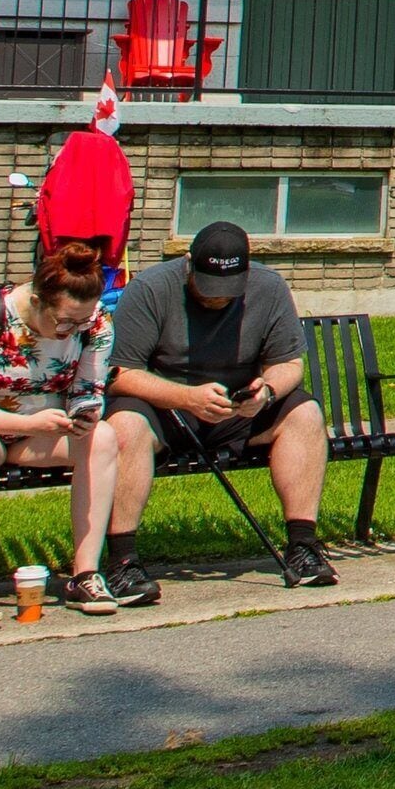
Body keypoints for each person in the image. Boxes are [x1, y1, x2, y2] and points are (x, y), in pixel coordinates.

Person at [0, 235, 142, 629]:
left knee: (103, 437)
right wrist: (29, 424)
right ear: (37, 302)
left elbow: (88, 389)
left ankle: (85, 574)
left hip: (33, 430)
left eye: (81, 322)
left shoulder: (94, 323)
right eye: (64, 322)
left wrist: (84, 415)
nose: (71, 330)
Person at [103, 220, 335, 598]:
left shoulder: (269, 287)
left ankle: (303, 547)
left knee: (305, 414)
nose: (218, 298)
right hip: (165, 414)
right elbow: (117, 374)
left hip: (237, 411)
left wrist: (267, 391)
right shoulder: (149, 289)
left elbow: (289, 363)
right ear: (188, 263)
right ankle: (123, 563)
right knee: (125, 423)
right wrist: (185, 397)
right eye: (209, 287)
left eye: (229, 291)